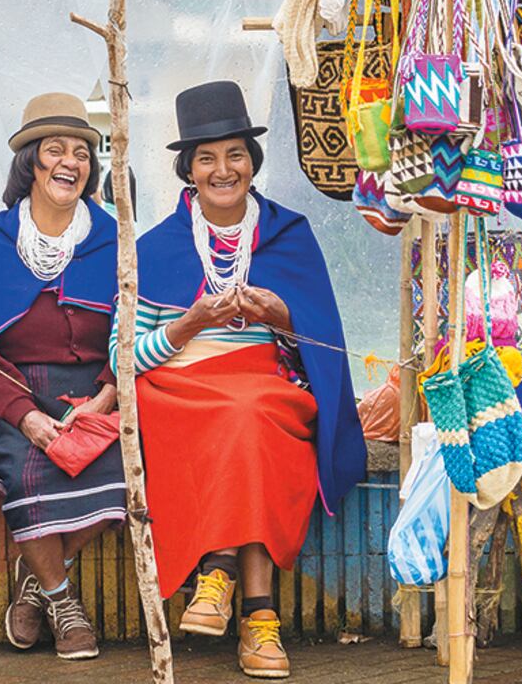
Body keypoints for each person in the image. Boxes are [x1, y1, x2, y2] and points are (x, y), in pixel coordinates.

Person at [120, 81, 366, 679]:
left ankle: (220, 576)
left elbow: (323, 347)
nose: (222, 169)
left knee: (251, 416)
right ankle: (259, 620)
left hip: (263, 385)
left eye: (235, 154)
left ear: (252, 164)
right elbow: (123, 358)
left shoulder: (289, 235)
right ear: (189, 170)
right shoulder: (154, 247)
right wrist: (186, 326)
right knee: (244, 420)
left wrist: (283, 318)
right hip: (180, 390)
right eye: (206, 157)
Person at [0, 92, 124, 661]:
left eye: (82, 152)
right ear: (30, 163)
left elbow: (132, 322)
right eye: (55, 150)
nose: (71, 162)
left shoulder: (113, 236)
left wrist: (107, 395)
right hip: (12, 392)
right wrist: (26, 415)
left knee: (126, 471)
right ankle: (63, 601)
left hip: (94, 390)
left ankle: (36, 580)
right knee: (28, 472)